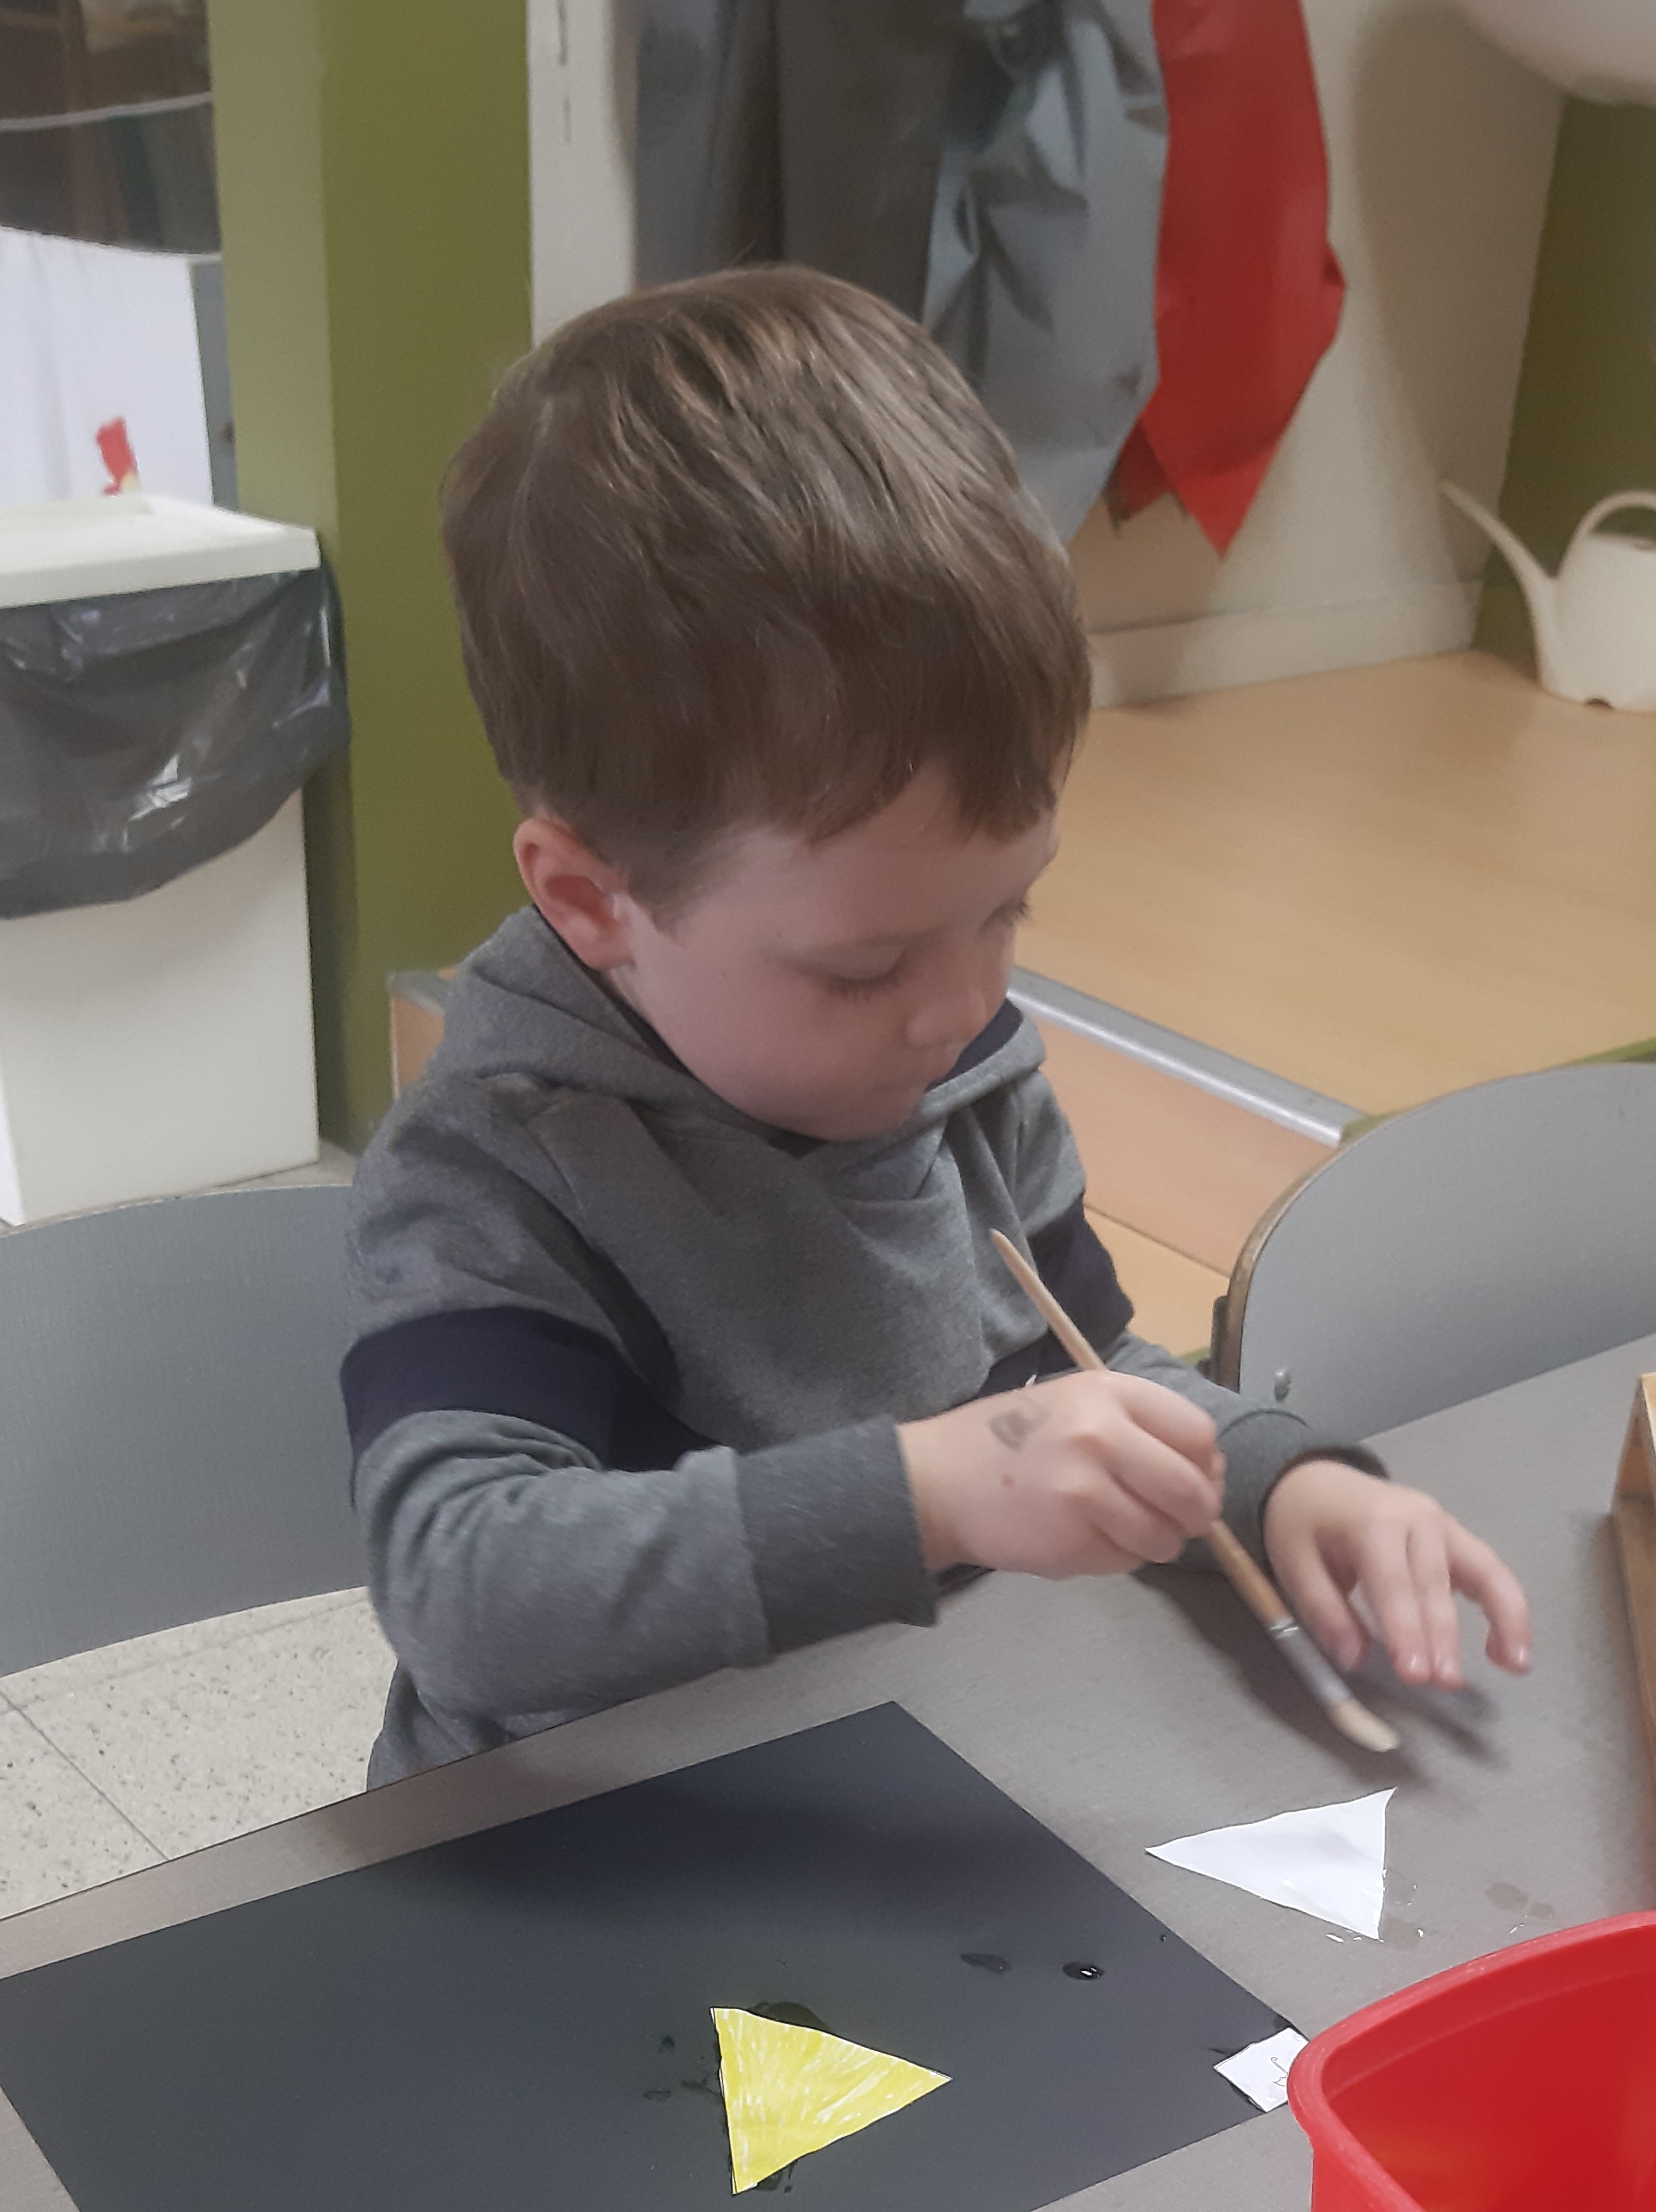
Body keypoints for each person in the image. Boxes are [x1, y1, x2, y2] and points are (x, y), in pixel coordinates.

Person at [343, 266, 1528, 1780]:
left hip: (901, 1764)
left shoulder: (958, 1059)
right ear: (592, 902)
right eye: (862, 968)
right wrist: (931, 1494)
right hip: (581, 1837)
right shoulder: (500, 1167)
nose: (966, 1006)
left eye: (1007, 910)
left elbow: (1088, 1371)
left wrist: (1283, 1483)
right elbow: (465, 1593)